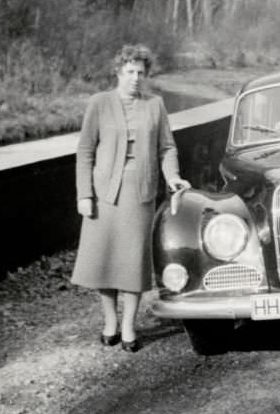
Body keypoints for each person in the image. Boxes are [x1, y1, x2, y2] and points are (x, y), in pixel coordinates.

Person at [71, 43, 191, 352]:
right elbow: (84, 152)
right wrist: (84, 194)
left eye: (141, 72)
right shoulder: (99, 103)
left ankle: (128, 327)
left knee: (132, 262)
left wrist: (172, 177)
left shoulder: (156, 105)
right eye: (129, 72)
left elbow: (167, 148)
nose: (135, 78)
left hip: (140, 194)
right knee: (104, 261)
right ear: (118, 72)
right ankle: (110, 321)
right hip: (104, 195)